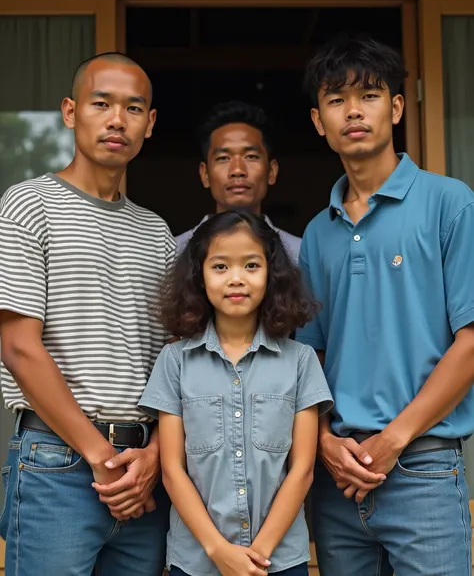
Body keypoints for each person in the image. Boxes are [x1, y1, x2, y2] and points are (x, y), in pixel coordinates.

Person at [296, 33, 474, 576]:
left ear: (396, 107)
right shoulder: (316, 233)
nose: (353, 110)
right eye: (335, 99)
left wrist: (394, 439)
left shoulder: (450, 202)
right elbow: (311, 360)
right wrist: (324, 441)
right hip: (339, 478)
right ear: (318, 121)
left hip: (422, 468)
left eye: (369, 95)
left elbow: (471, 341)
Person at [0, 52, 175, 575]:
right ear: (71, 112)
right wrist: (101, 457)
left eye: (134, 108)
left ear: (150, 123)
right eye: (102, 104)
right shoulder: (29, 204)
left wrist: (156, 455)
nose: (117, 119)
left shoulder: (157, 234)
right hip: (59, 463)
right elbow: (17, 347)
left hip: (142, 471)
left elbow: (178, 363)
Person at [139, 211, 333, 576]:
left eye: (251, 265)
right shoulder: (174, 361)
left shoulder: (301, 360)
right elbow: (171, 469)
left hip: (278, 560)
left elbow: (302, 469)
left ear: (271, 274)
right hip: (197, 560)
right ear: (200, 276)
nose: (236, 279)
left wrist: (256, 554)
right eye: (220, 267)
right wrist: (219, 551)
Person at [175, 101, 301, 263]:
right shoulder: (175, 254)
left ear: (271, 171)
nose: (237, 170)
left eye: (251, 157)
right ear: (205, 174)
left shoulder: (300, 255)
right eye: (223, 158)